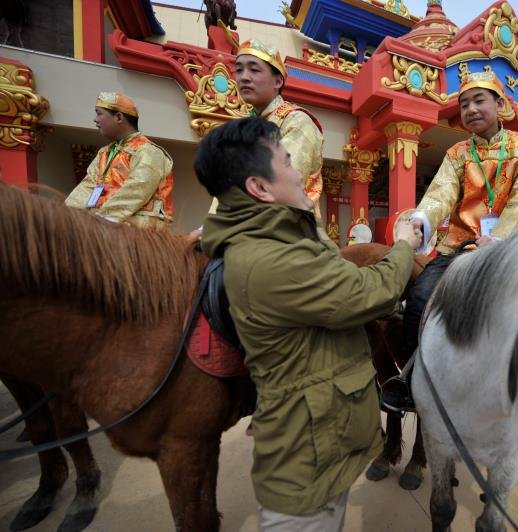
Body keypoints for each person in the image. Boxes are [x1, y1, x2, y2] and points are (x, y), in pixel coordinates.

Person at [194, 117, 421, 531]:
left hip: (322, 443)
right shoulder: (272, 259)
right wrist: (404, 243)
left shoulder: (281, 238)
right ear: (259, 188)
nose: (300, 173)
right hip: (303, 465)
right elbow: (371, 291)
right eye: (287, 162)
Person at [381, 71, 518, 413]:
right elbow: (440, 195)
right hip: (458, 246)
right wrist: (421, 221)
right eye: (464, 103)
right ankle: (412, 383)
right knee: (421, 296)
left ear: (500, 104)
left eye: (479, 100)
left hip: (505, 249)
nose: (470, 109)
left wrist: (498, 239)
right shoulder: (457, 153)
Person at [207, 38, 324, 216]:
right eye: (239, 70)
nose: (244, 77)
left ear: (277, 82)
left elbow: (277, 188)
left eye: (254, 69)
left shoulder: (297, 122)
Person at [65, 92, 174, 230]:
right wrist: (67, 216)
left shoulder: (148, 151)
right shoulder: (104, 153)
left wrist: (102, 221)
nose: (95, 119)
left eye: (99, 113)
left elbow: (137, 188)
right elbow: (87, 186)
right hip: (104, 222)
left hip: (140, 226)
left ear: (118, 117)